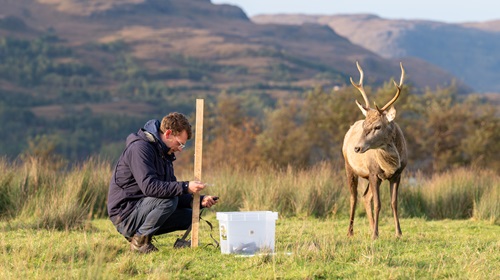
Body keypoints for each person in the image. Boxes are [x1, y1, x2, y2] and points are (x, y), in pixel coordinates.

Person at [107, 112, 218, 253]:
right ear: (168, 134)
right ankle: (140, 243)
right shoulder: (140, 149)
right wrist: (186, 186)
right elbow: (150, 187)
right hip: (125, 214)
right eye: (179, 144)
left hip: (144, 207)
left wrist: (198, 201)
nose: (179, 149)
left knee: (191, 215)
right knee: (168, 201)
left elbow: (172, 190)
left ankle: (142, 235)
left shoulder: (165, 155)